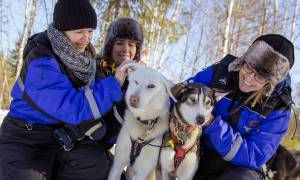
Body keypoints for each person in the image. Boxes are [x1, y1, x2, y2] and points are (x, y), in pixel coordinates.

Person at [0, 0, 129, 179]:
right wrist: (114, 85)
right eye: (79, 32)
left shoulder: (84, 61)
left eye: (90, 31)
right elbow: (73, 107)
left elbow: (92, 98)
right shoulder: (41, 60)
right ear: (62, 30)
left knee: (99, 164)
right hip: (25, 140)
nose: (86, 39)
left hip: (60, 137)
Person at [186, 34, 294, 180]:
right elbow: (182, 93)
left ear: (270, 83)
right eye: (249, 67)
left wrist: (213, 124)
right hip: (199, 152)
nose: (249, 78)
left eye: (260, 76)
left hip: (242, 169)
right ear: (243, 60)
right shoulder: (219, 73)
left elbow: (254, 155)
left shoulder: (279, 107)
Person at [96, 17, 144, 149]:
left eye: (131, 45)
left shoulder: (135, 82)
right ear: (110, 46)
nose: (126, 49)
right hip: (87, 144)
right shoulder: (96, 70)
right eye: (119, 43)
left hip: (107, 147)